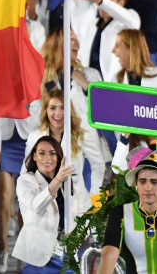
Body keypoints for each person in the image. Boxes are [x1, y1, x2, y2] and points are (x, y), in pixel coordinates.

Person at [23, 89, 105, 209]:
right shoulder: (35, 137)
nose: (58, 113)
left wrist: (94, 201)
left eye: (63, 108)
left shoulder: (80, 135)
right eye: (53, 108)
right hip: (45, 206)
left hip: (77, 205)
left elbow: (99, 165)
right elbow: (26, 173)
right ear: (46, 110)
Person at [10, 136, 78, 273]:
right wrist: (58, 179)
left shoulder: (68, 183)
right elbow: (36, 207)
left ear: (59, 157)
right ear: (34, 157)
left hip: (66, 254)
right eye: (42, 153)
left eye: (52, 153)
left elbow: (79, 213)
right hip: (38, 257)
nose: (47, 157)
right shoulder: (26, 180)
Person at [71, 0, 140, 83]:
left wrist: (100, 0)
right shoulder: (91, 25)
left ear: (120, 2)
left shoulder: (126, 23)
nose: (100, 2)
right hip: (88, 86)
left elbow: (131, 20)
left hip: (114, 86)